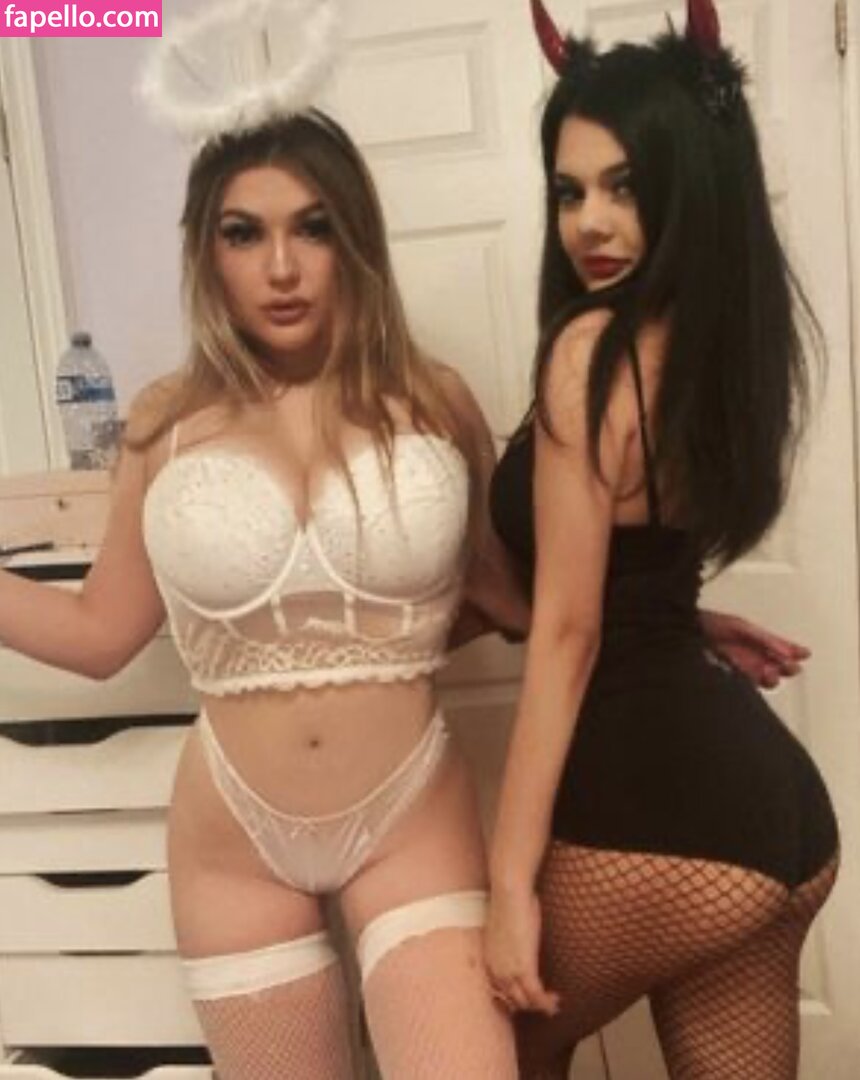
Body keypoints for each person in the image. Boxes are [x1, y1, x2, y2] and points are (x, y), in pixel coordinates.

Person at [0, 110, 528, 1078]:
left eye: (312, 228)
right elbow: (100, 631)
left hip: (413, 814)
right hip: (232, 834)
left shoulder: (433, 400)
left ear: (354, 240)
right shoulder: (165, 421)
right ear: (207, 255)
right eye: (243, 234)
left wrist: (668, 616)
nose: (281, 267)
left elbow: (511, 594)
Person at [483, 1, 840, 1077]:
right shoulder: (712, 345)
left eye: (625, 187)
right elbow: (631, 577)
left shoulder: (590, 352)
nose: (589, 223)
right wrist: (691, 620)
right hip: (779, 826)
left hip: (664, 811)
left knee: (478, 1044)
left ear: (688, 183)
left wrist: (509, 883)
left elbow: (568, 632)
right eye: (569, 192)